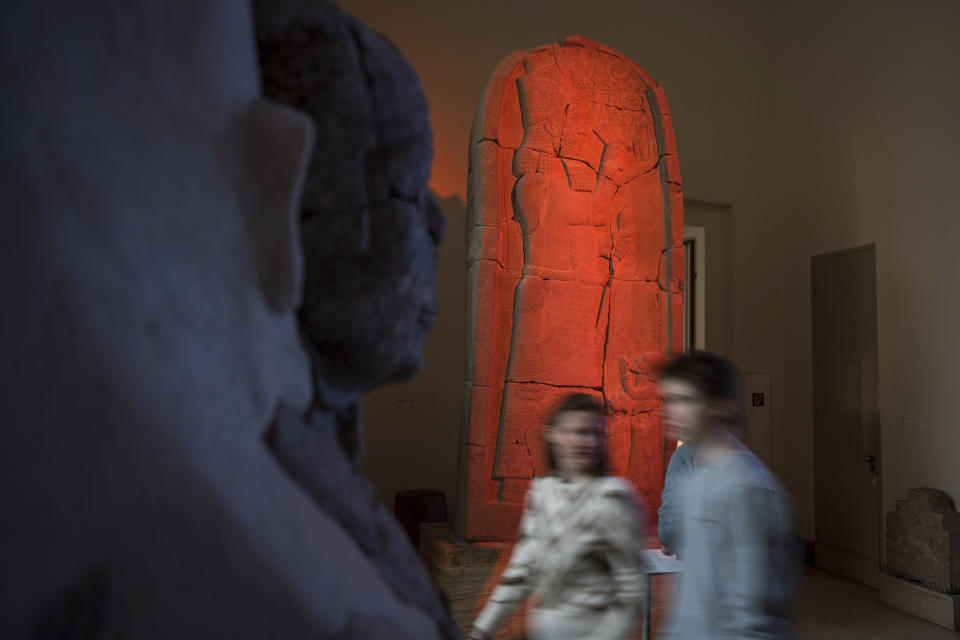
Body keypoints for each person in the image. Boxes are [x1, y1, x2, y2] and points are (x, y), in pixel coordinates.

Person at [469, 394, 648, 640]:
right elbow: (521, 572)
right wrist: (482, 630)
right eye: (575, 432)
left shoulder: (613, 496)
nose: (586, 441)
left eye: (593, 432)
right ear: (553, 435)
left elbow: (630, 590)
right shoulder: (542, 492)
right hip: (545, 631)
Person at [658, 352, 799, 639]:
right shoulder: (695, 477)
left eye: (684, 400)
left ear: (718, 406)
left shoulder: (748, 488)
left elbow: (754, 615)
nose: (670, 411)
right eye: (668, 400)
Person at [658, 440, 695, 557]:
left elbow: (672, 504)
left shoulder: (686, 453)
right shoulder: (739, 452)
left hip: (691, 554)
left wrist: (668, 539)